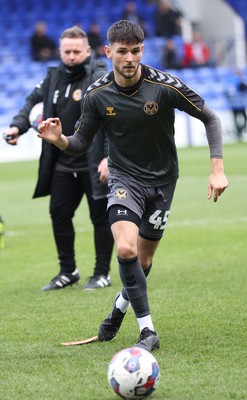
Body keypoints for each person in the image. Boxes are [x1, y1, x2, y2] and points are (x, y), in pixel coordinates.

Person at [37, 20, 229, 351]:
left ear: (143, 50)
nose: (129, 58)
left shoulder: (165, 86)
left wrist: (217, 169)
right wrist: (59, 140)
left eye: (136, 51)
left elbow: (210, 117)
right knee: (125, 249)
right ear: (108, 51)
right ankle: (147, 331)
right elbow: (81, 142)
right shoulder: (97, 95)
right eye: (122, 51)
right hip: (124, 179)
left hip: (164, 181)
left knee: (141, 261)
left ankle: (117, 310)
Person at [5, 25, 114, 291]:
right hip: (64, 163)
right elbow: (31, 102)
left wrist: (108, 157)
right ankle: (68, 271)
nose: (72, 56)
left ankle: (102, 273)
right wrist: (17, 125)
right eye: (67, 51)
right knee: (58, 213)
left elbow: (113, 120)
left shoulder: (100, 77)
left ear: (88, 51)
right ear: (60, 51)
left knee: (100, 217)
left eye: (77, 51)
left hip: (93, 162)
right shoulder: (53, 77)